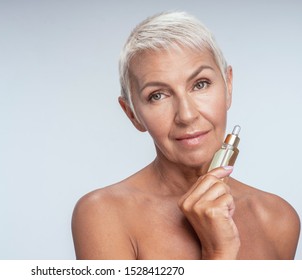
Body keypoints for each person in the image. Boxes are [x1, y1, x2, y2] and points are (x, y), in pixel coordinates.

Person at [71, 11, 300, 260]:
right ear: (132, 114)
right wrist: (218, 252)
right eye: (157, 95)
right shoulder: (103, 214)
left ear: (229, 86)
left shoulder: (277, 219)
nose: (187, 115)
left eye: (200, 84)